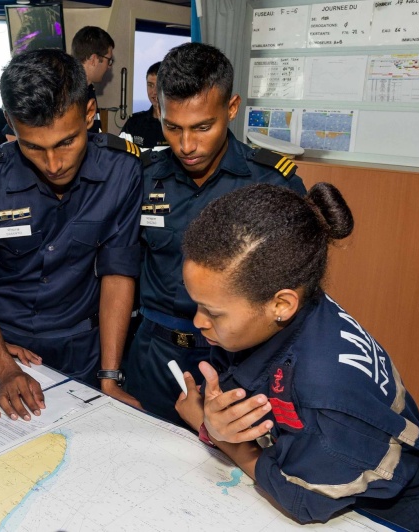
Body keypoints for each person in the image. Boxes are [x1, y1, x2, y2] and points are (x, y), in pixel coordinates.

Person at [175, 182, 419, 530]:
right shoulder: (292, 308)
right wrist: (220, 414)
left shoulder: (323, 394)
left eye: (213, 312)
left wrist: (213, 432)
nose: (198, 321)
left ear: (281, 304)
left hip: (394, 517)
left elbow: (303, 499)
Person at [0, 49, 143, 421]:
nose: (54, 165)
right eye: (33, 147)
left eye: (66, 142)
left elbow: (118, 271)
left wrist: (111, 376)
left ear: (89, 114)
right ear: (10, 124)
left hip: (84, 347)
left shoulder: (123, 169)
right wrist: (4, 367)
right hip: (3, 345)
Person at [123, 42, 307, 426]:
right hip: (154, 353)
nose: (187, 145)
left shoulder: (272, 183)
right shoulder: (143, 176)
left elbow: (298, 288)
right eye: (173, 127)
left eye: (203, 127)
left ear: (232, 108)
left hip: (236, 361)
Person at [71, 26, 114, 133]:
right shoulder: (68, 93)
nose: (109, 66)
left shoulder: (89, 88)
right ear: (94, 59)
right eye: (108, 60)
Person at [119, 61, 168, 150]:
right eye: (150, 85)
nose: (154, 92)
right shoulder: (134, 124)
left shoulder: (178, 125)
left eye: (158, 86)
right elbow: (119, 156)